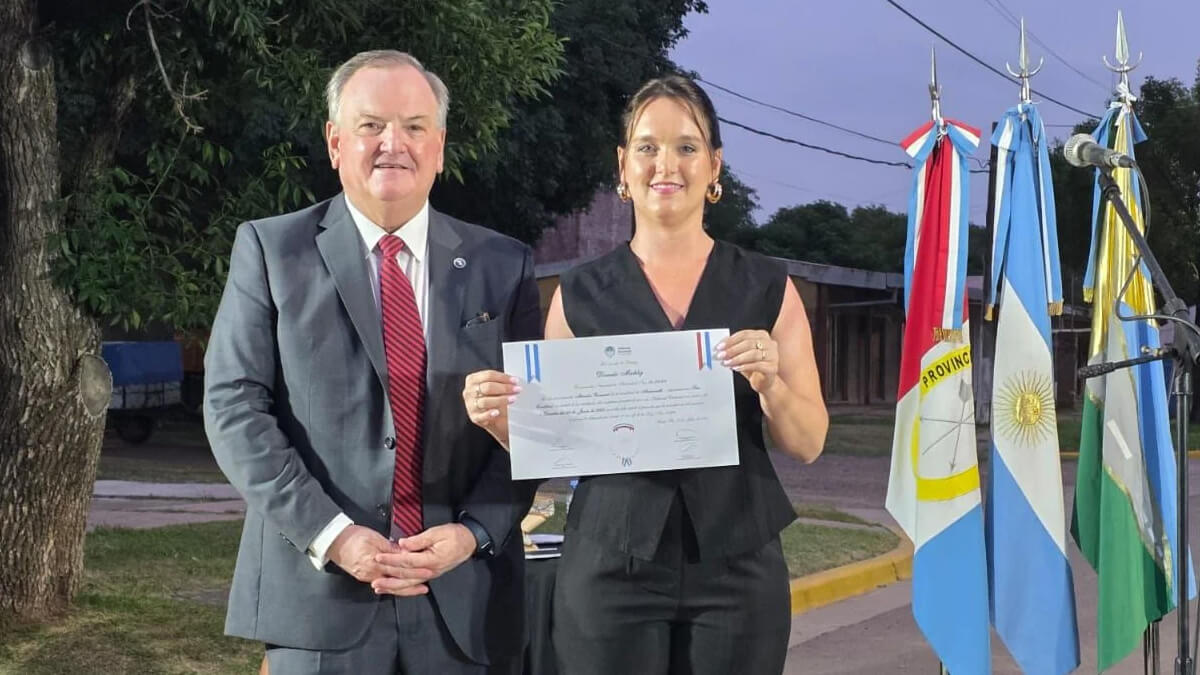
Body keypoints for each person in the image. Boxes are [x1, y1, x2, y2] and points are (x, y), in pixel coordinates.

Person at [463, 75, 828, 674]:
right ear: (623, 167)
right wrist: (502, 422)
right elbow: (556, 448)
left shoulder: (767, 286)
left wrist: (771, 384)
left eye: (687, 146)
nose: (666, 164)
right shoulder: (579, 293)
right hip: (609, 567)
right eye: (648, 146)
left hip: (738, 568)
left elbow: (809, 442)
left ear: (714, 167)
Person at [203, 49, 540, 674]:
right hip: (319, 600)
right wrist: (333, 534)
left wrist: (472, 533)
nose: (394, 143)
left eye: (414, 126)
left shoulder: (505, 265)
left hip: (465, 603)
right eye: (371, 125)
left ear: (439, 147)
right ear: (336, 142)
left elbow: (533, 426)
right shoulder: (271, 251)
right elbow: (234, 408)